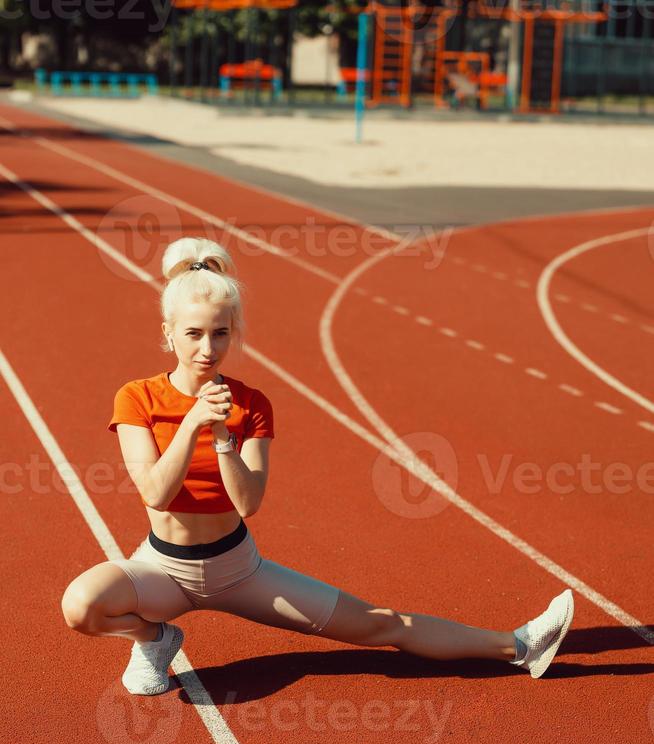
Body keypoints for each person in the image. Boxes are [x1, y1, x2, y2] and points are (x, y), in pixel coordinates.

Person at [60, 237, 575, 696]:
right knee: (81, 606)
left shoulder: (251, 404)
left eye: (220, 333)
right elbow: (154, 491)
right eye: (193, 334)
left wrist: (221, 439)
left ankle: (518, 645)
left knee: (381, 626)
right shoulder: (137, 398)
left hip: (238, 569)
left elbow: (249, 502)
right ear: (169, 333)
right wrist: (194, 422)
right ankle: (156, 638)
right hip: (161, 569)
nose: (207, 348)